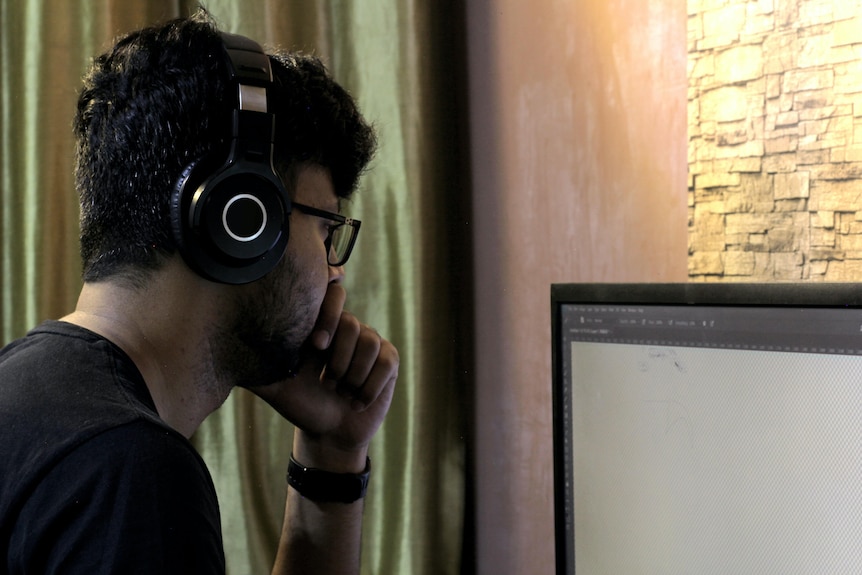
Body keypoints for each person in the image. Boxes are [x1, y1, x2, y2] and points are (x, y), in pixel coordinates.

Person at [0, 11, 398, 575]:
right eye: (326, 228)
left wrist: (332, 452)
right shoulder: (131, 473)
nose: (335, 274)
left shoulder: (24, 386)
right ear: (242, 220)